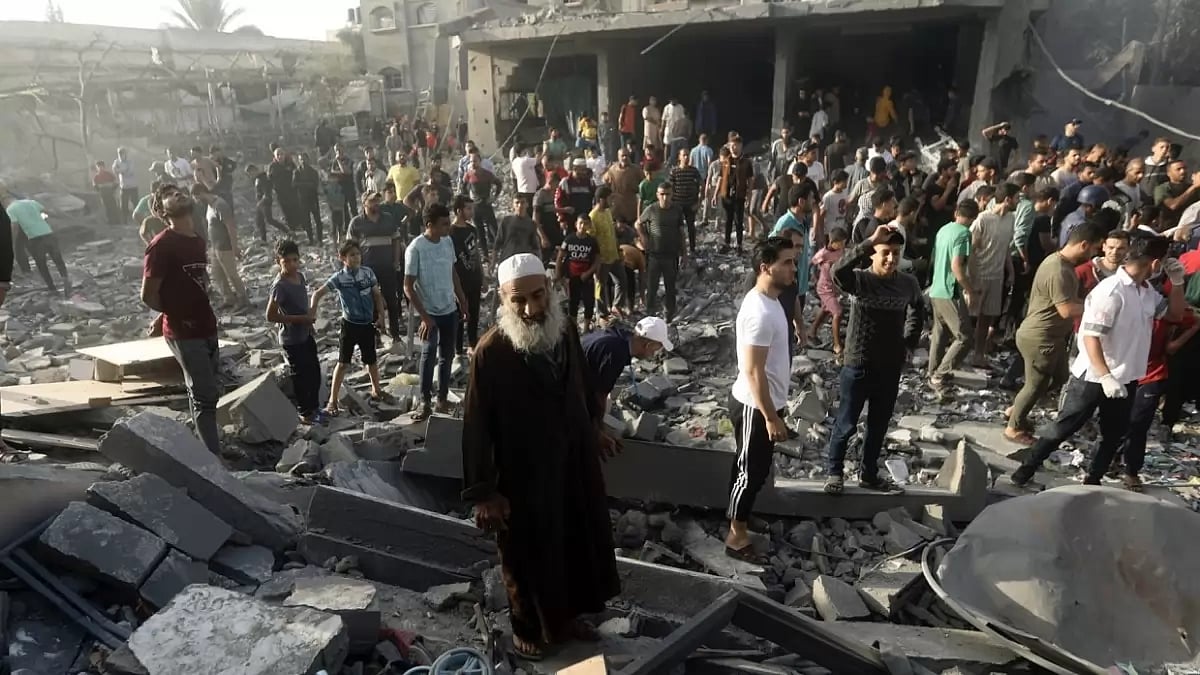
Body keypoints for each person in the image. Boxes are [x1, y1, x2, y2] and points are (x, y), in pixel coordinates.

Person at [461, 252, 620, 660]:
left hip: (571, 461)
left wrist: (594, 428)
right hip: (523, 473)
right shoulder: (490, 353)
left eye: (538, 296)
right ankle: (526, 629)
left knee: (572, 542)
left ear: (549, 289)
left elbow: (581, 386)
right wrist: (484, 493)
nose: (531, 309)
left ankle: (565, 619)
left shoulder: (563, 329)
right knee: (525, 555)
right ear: (502, 299)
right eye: (520, 301)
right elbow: (476, 427)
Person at [1012, 236, 1184, 487]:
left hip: (1126, 377)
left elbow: (1175, 314)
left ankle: (1093, 479)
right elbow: (1092, 336)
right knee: (1064, 427)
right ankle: (1024, 472)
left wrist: (1177, 283)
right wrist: (1105, 376)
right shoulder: (1111, 290)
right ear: (1155, 263)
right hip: (1093, 377)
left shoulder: (1146, 292)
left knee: (1113, 435)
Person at [824, 224, 923, 495]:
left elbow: (918, 309)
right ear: (873, 255)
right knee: (846, 422)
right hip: (858, 364)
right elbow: (836, 272)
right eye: (885, 253)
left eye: (896, 253)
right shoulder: (860, 280)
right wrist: (869, 241)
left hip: (889, 367)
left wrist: (909, 343)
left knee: (878, 425)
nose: (891, 259)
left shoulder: (907, 283)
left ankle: (868, 473)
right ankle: (835, 473)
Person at [725, 236, 799, 562]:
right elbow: (753, 371)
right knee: (750, 471)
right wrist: (771, 417)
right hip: (755, 406)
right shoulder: (759, 311)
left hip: (764, 403)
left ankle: (740, 515)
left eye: (793, 262)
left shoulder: (772, 302)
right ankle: (735, 535)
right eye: (786, 262)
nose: (792, 268)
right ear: (765, 267)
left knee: (751, 467)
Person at [1004, 222, 1106, 443]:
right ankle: (1013, 427)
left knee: (1059, 378)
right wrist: (1101, 308)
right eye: (1093, 249)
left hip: (1052, 337)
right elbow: (1067, 309)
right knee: (1036, 384)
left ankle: (1018, 408)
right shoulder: (1058, 270)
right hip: (1041, 336)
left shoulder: (1062, 264)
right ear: (1084, 245)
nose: (1093, 255)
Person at [140, 184, 220, 454]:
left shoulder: (197, 239)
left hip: (207, 323)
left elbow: (195, 279)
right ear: (163, 210)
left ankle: (205, 444)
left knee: (205, 390)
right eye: (169, 195)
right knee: (205, 397)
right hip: (184, 332)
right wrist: (174, 315)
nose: (178, 194)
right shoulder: (161, 245)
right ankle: (213, 460)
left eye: (179, 192)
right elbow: (148, 295)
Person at [310, 240, 389, 416]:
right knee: (343, 362)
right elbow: (317, 294)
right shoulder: (339, 278)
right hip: (350, 325)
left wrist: (382, 317)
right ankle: (332, 400)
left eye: (358, 254)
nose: (356, 258)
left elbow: (377, 295)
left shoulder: (367, 273)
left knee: (371, 360)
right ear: (343, 258)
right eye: (352, 255)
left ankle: (376, 389)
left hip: (367, 324)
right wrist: (312, 315)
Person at [405, 203, 469, 420]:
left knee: (447, 356)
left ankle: (442, 399)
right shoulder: (415, 248)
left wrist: (462, 299)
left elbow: (453, 273)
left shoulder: (447, 242)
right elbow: (408, 285)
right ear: (429, 225)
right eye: (443, 224)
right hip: (429, 313)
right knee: (428, 354)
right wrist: (424, 317)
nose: (447, 227)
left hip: (448, 309)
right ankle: (425, 402)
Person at [267, 240, 321, 425]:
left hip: (305, 334)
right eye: (286, 261)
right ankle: (305, 413)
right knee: (301, 377)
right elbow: (270, 315)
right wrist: (299, 320)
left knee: (314, 372)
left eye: (295, 260)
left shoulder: (300, 277)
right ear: (278, 261)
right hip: (291, 339)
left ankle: (315, 409)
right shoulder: (279, 285)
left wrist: (308, 323)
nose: (292, 264)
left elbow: (303, 303)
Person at [926, 201, 980, 390]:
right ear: (973, 217)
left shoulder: (944, 229)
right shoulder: (964, 234)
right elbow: (957, 266)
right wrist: (971, 290)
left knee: (940, 334)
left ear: (956, 212)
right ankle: (939, 375)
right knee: (965, 337)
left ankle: (933, 372)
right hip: (950, 291)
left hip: (936, 288)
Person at [967, 183, 1018, 367]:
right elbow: (971, 249)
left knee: (986, 318)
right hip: (979, 274)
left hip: (997, 276)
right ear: (1007, 199)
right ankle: (955, 354)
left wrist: (1010, 272)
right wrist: (972, 277)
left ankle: (978, 355)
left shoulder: (1010, 219)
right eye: (1016, 197)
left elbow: (1005, 249)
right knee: (966, 317)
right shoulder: (983, 219)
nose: (1018, 200)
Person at [346, 190, 404, 342]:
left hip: (387, 267)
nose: (376, 204)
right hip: (366, 269)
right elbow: (350, 248)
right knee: (369, 302)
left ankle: (395, 333)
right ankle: (375, 334)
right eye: (372, 201)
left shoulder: (388, 219)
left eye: (378, 201)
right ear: (364, 203)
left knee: (392, 300)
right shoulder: (356, 223)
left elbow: (396, 240)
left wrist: (396, 261)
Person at [582, 316, 670, 415]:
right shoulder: (616, 353)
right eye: (654, 350)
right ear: (647, 345)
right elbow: (600, 393)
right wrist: (599, 423)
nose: (653, 355)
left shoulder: (618, 337)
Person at [192, 183, 247, 310]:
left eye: (196, 197)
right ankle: (228, 298)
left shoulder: (220, 205)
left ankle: (242, 299)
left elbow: (230, 226)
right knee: (218, 274)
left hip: (225, 246)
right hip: (215, 246)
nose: (196, 200)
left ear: (201, 193)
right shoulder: (209, 206)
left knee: (231, 274)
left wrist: (235, 247)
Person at [637, 181, 685, 321]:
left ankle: (669, 314)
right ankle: (650, 314)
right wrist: (644, 238)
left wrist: (685, 253)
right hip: (654, 256)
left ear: (672, 195)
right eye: (662, 194)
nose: (665, 197)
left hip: (671, 255)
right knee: (652, 287)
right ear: (657, 195)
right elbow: (638, 223)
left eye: (668, 194)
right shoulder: (651, 209)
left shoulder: (677, 210)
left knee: (671, 287)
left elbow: (681, 232)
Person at [3, 195, 70, 296]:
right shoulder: (31, 202)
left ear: (5, 202)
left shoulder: (10, 209)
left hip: (35, 239)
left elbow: (15, 226)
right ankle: (66, 280)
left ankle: (52, 288)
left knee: (42, 264)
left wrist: (11, 239)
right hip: (48, 233)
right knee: (58, 260)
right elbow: (47, 212)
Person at [449, 196, 485, 355]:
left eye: (472, 208)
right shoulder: (450, 232)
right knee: (458, 314)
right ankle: (458, 349)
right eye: (468, 208)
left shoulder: (472, 230)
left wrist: (482, 274)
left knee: (474, 312)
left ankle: (472, 344)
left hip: (474, 277)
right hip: (458, 279)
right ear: (459, 211)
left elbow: (476, 253)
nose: (471, 212)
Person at [558, 214, 601, 332]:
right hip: (572, 277)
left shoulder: (592, 242)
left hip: (586, 277)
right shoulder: (569, 239)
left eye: (585, 223)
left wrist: (589, 273)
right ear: (576, 224)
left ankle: (586, 328)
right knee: (573, 302)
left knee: (589, 301)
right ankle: (573, 328)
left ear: (589, 225)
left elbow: (597, 260)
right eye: (580, 223)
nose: (582, 226)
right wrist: (559, 275)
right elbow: (560, 257)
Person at [809, 227, 848, 356]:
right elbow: (812, 263)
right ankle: (837, 344)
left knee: (826, 309)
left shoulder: (841, 251)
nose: (843, 245)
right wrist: (814, 277)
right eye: (841, 242)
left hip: (835, 287)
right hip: (825, 288)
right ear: (833, 242)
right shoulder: (823, 253)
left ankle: (812, 331)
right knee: (838, 312)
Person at [719, 135, 755, 253]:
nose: (734, 148)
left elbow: (750, 180)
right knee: (728, 220)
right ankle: (727, 244)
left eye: (737, 145)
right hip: (726, 195)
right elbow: (721, 178)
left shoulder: (746, 162)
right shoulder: (725, 161)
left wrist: (749, 196)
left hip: (739, 195)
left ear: (741, 146)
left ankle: (739, 245)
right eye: (732, 145)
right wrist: (716, 194)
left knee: (738, 221)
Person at [589, 187, 620, 316]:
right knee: (600, 286)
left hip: (613, 255)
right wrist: (595, 261)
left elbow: (612, 232)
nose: (611, 201)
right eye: (609, 198)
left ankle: (616, 307)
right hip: (601, 258)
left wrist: (618, 249)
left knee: (621, 281)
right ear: (601, 199)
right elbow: (591, 239)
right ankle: (601, 313)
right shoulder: (593, 216)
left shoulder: (607, 212)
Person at [464, 149, 503, 250]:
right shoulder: (469, 174)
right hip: (475, 207)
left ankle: (500, 250)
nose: (473, 163)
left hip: (486, 204)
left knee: (494, 229)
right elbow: (464, 188)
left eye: (475, 161)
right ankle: (485, 255)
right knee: (480, 232)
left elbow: (498, 184)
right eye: (471, 161)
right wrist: (468, 202)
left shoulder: (487, 174)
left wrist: (494, 197)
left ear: (480, 161)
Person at [668, 148, 703, 256]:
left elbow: (702, 185)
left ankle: (692, 249)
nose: (686, 157)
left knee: (691, 227)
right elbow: (670, 188)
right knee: (676, 228)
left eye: (688, 155)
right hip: (677, 204)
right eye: (684, 155)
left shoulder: (694, 171)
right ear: (679, 157)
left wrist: (699, 202)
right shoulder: (674, 171)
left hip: (690, 204)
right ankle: (678, 249)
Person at [1076, 230, 1130, 297]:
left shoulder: (1130, 274)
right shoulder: (1082, 271)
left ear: (1128, 249)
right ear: (1104, 247)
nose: (1114, 252)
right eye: (1111, 247)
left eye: (1120, 248)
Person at [1153, 160, 1200, 233]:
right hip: (1169, 231)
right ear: (1169, 173)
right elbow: (1173, 205)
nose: (1183, 171)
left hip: (1190, 230)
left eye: (1184, 168)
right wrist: (1193, 187)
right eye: (1178, 169)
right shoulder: (1162, 188)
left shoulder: (1194, 188)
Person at [495, 195, 540, 264]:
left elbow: (535, 247)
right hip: (507, 259)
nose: (520, 205)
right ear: (513, 205)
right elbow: (497, 244)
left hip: (524, 261)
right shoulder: (506, 221)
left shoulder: (531, 224)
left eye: (522, 202)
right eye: (517, 203)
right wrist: (493, 262)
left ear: (527, 204)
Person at [603, 149, 643, 225]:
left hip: (631, 207)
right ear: (618, 157)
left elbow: (643, 184)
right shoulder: (612, 170)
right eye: (622, 156)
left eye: (627, 155)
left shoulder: (636, 170)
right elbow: (605, 183)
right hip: (616, 207)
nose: (625, 158)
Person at [293, 153, 322, 244]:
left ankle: (320, 239)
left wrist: (302, 184)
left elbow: (315, 185)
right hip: (302, 199)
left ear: (308, 160)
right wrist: (306, 184)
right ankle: (311, 239)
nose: (303, 161)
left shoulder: (313, 172)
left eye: (304, 159)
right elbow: (293, 184)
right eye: (301, 159)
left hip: (313, 198)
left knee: (317, 220)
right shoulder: (296, 172)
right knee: (307, 221)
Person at [815, 170, 850, 248]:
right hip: (830, 232)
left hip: (842, 230)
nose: (845, 184)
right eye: (843, 181)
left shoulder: (845, 193)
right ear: (835, 182)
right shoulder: (828, 197)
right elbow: (821, 216)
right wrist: (821, 235)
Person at [112, 147, 139, 221]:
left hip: (132, 186)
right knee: (124, 204)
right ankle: (125, 220)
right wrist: (123, 170)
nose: (121, 155)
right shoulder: (117, 162)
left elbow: (130, 172)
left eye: (122, 153)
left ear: (125, 154)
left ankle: (138, 219)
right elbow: (114, 170)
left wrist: (120, 170)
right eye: (119, 154)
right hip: (123, 186)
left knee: (135, 203)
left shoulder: (130, 162)